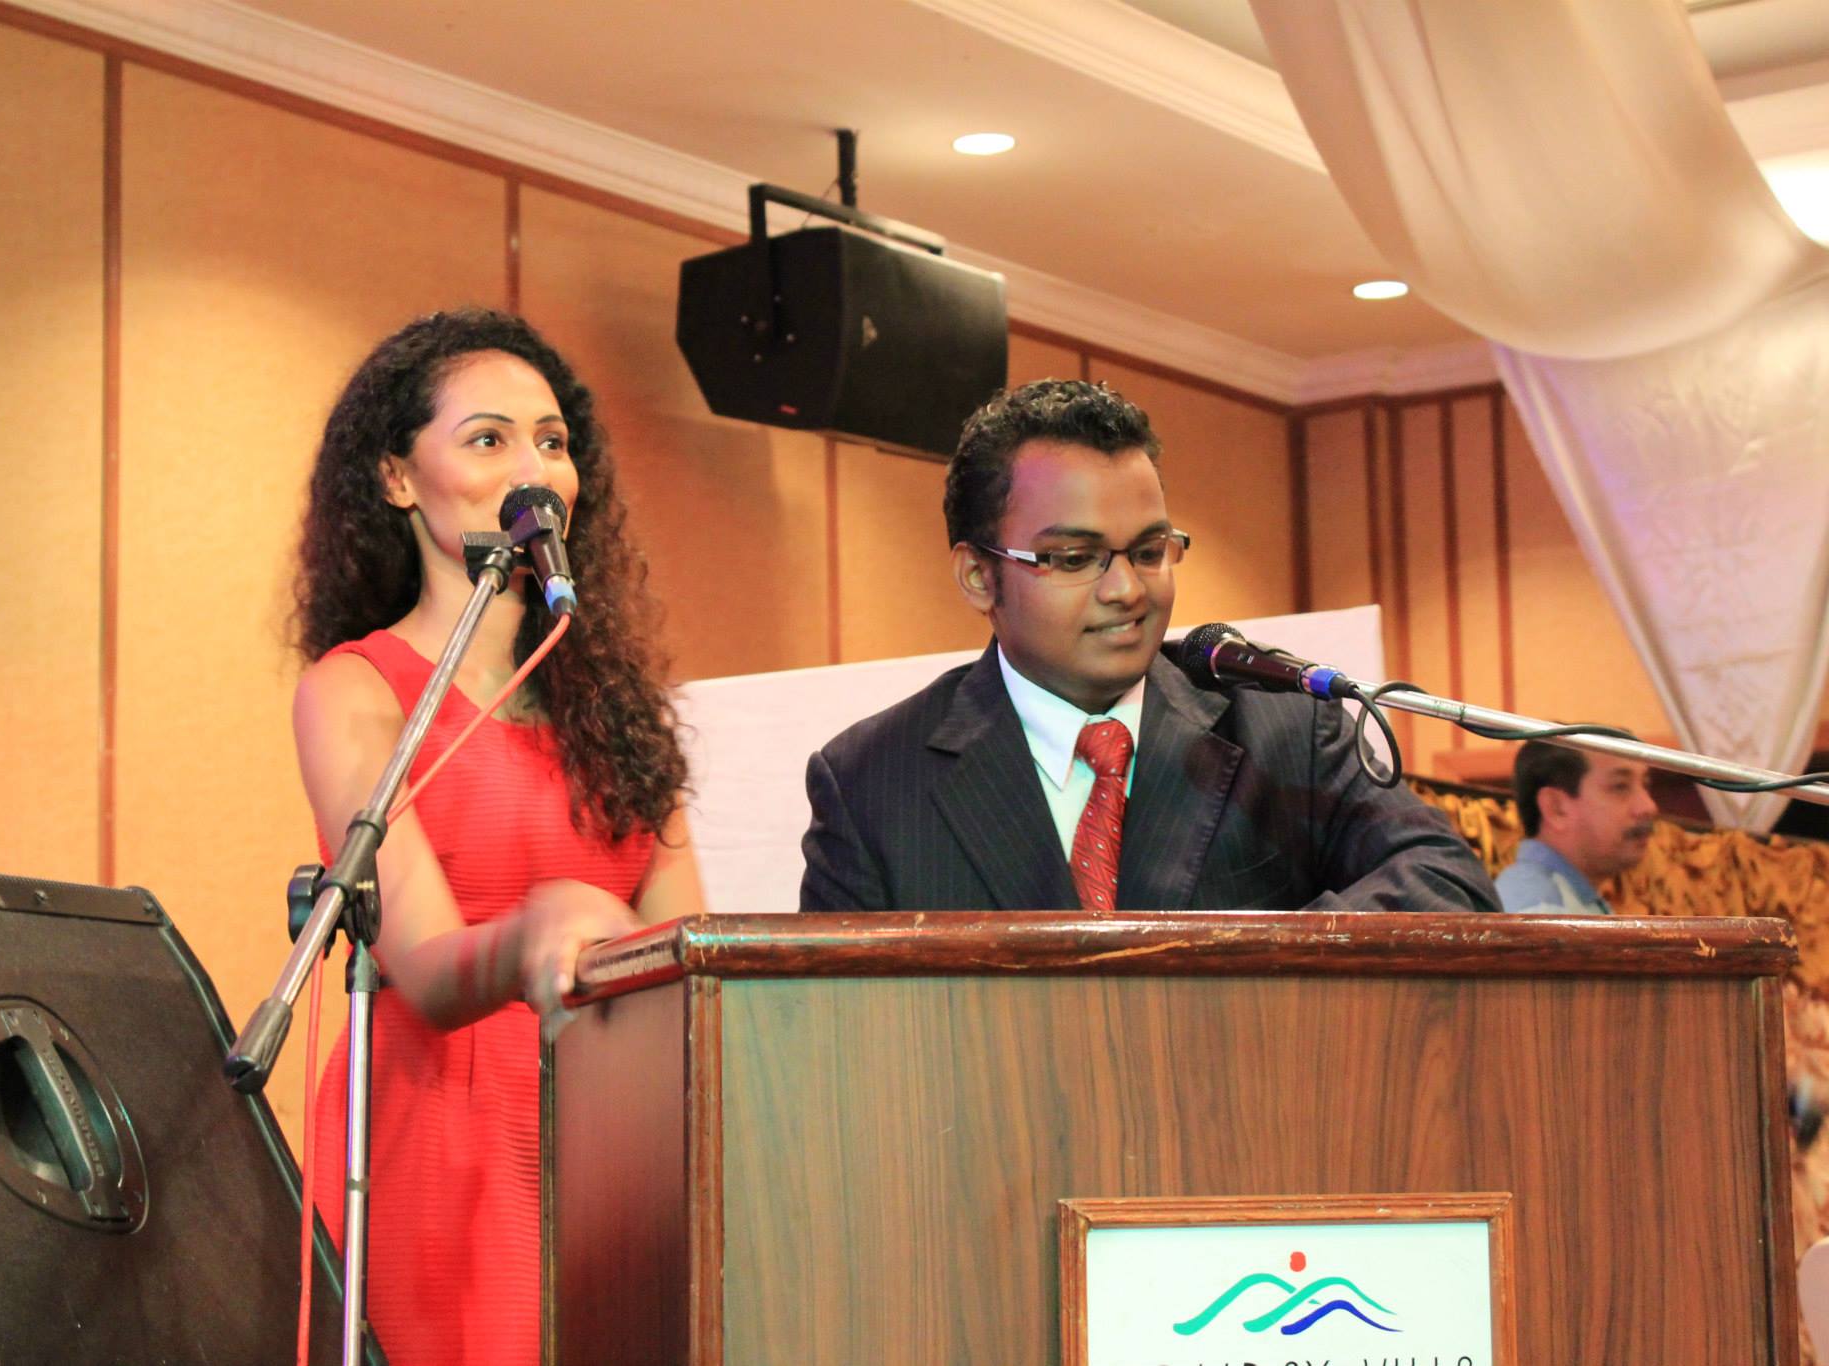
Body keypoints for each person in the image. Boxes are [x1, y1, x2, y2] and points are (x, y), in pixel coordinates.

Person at [291, 308, 703, 1366]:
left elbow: (686, 956)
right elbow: (426, 969)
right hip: (442, 1129)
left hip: (613, 1129)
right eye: (488, 439)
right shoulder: (357, 688)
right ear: (396, 478)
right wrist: (538, 930)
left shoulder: (618, 712)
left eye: (553, 443)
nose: (534, 471)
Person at [799, 378, 1497, 915]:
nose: (1127, 590)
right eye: (1075, 558)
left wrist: (1267, 966)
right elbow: (836, 1027)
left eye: (1149, 551)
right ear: (979, 577)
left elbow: (1448, 880)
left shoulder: (1285, 728)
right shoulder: (871, 780)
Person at [1495, 740, 1656, 914]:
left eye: (1645, 785)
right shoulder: (1540, 911)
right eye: (1620, 786)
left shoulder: (1565, 899)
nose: (1649, 806)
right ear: (1556, 808)